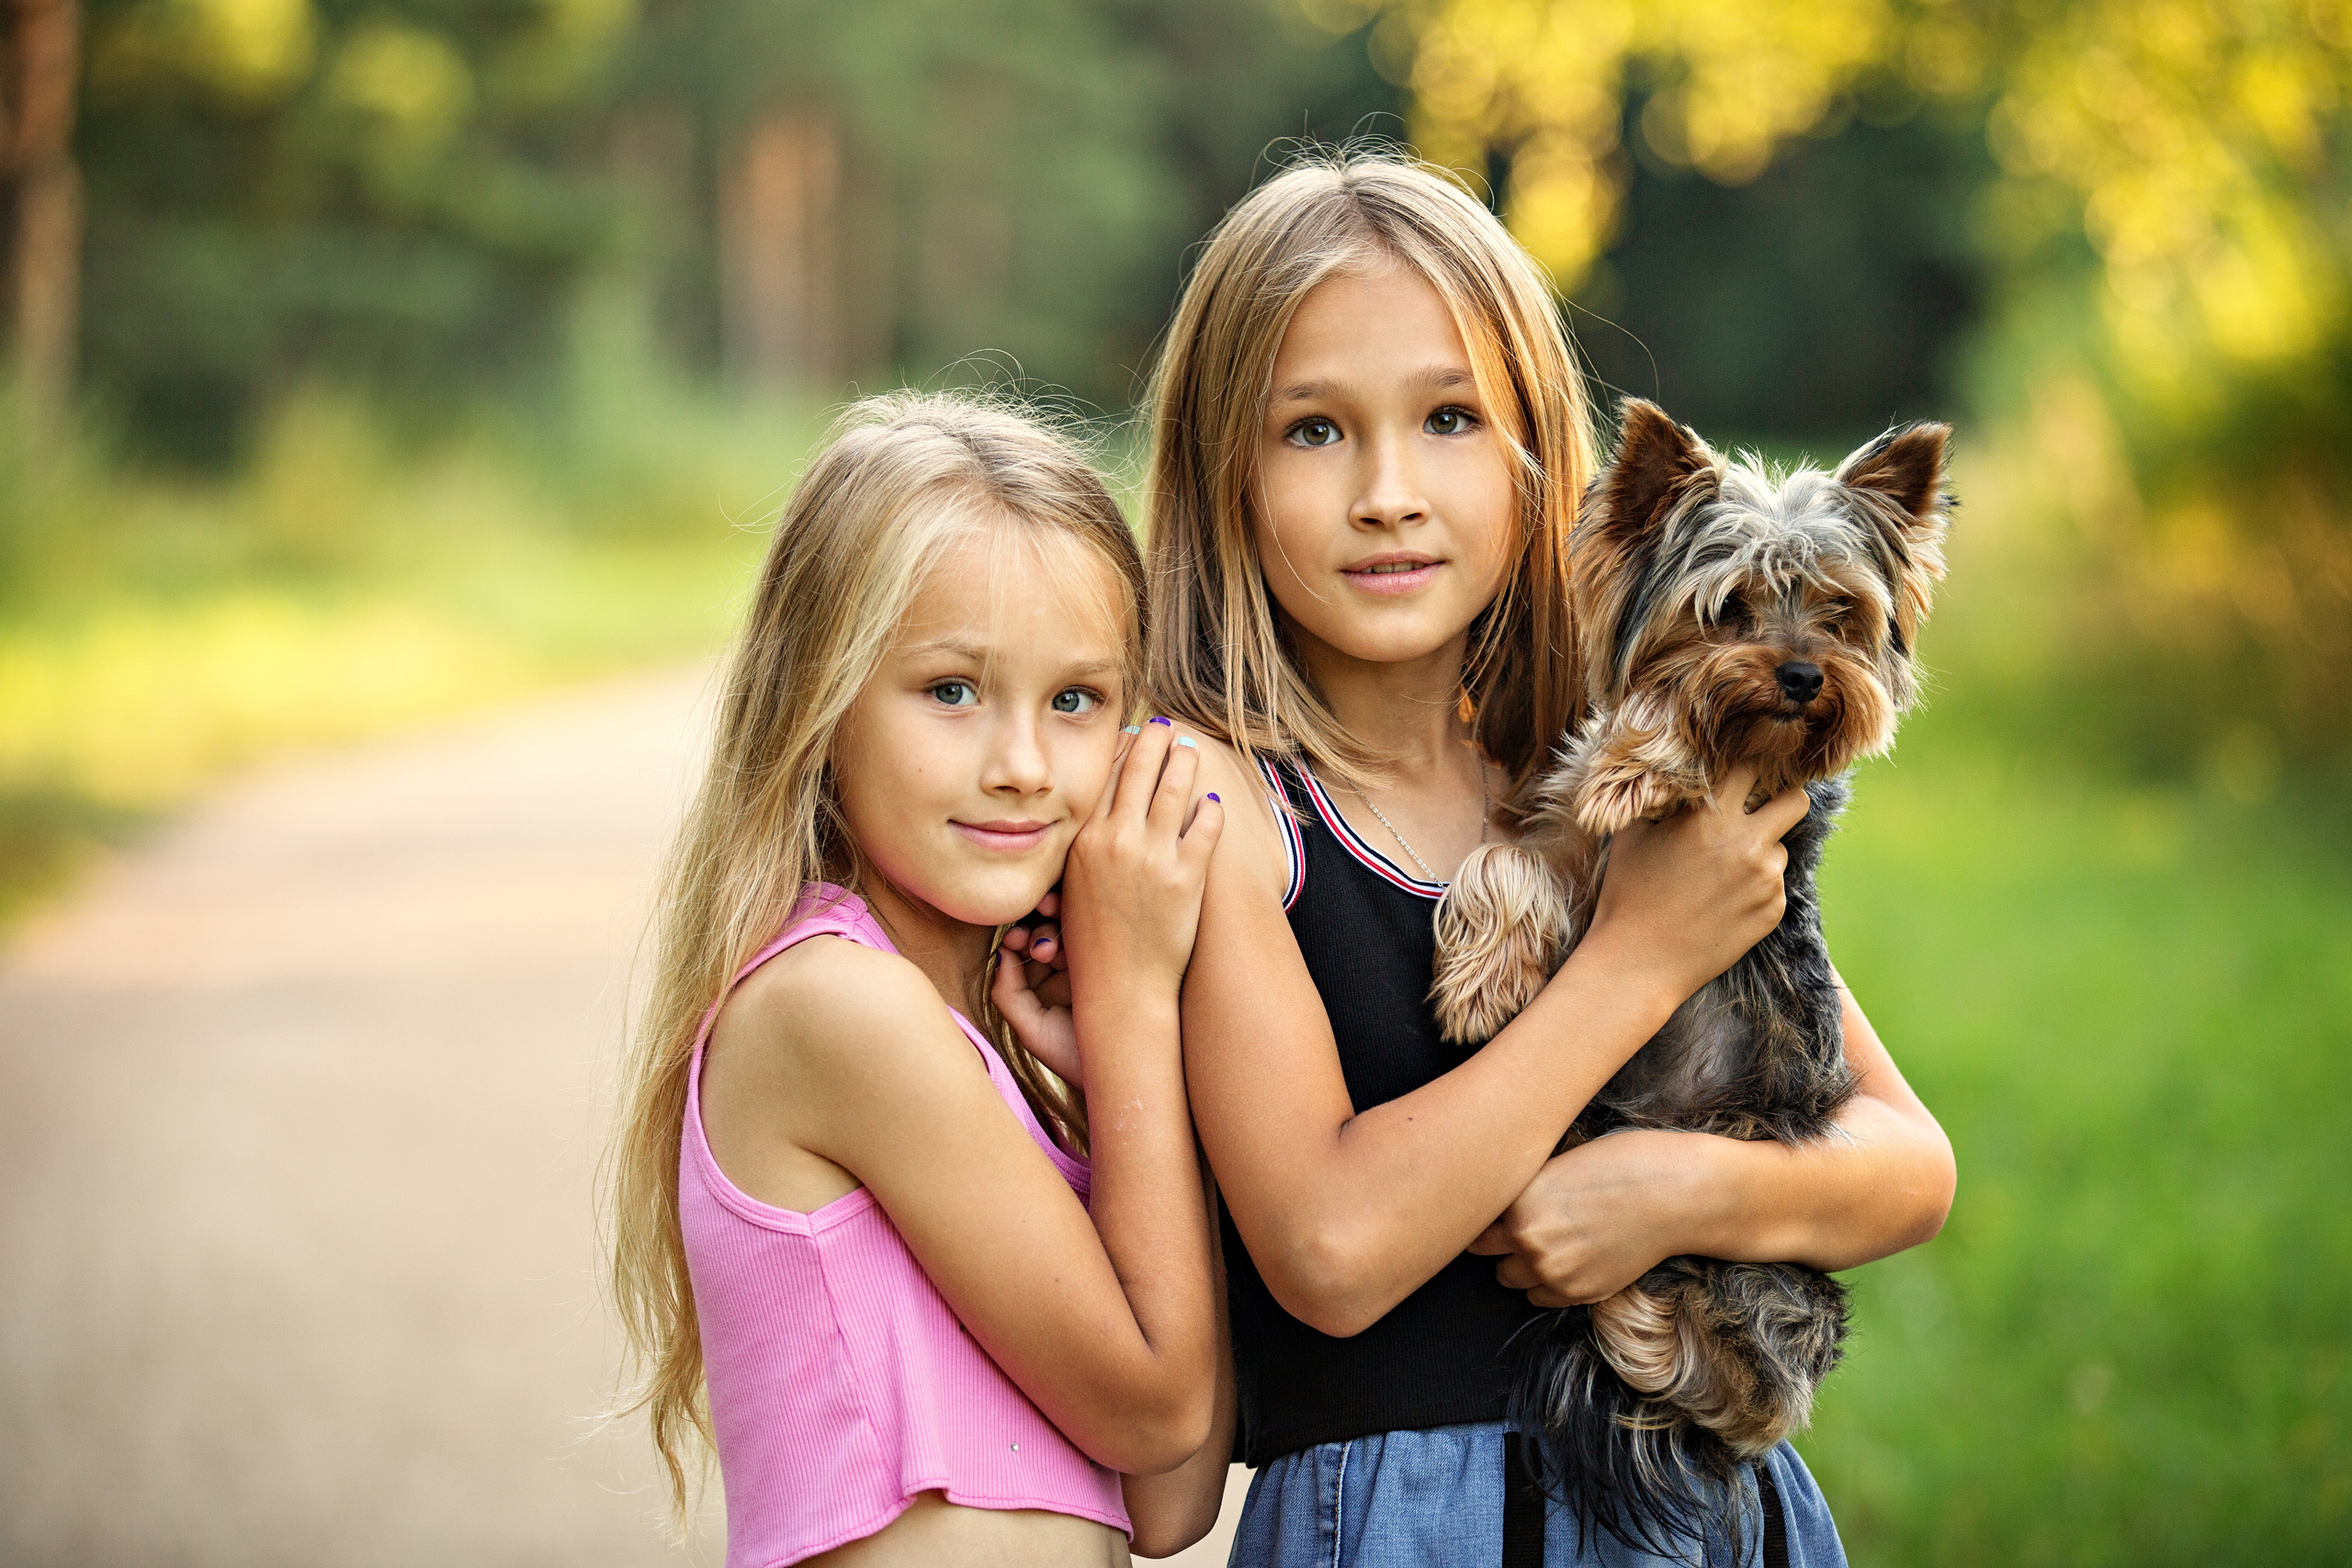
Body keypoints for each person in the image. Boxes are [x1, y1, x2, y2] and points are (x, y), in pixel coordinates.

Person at [1144, 152, 1957, 1562]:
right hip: (1404, 1524)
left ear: (1541, 467)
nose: (1389, 491)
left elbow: (1907, 1164)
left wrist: (1673, 1191)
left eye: (1449, 417)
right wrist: (1635, 958)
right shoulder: (1218, 806)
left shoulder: (1601, 783)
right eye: (1314, 431)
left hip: (1710, 1514)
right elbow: (1330, 1252)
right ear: (1223, 466)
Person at [605, 392, 1233, 1566]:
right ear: (822, 699)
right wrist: (1137, 1001)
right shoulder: (836, 1008)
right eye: (951, 691)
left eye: (1077, 700)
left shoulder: (967, 1047)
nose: (1022, 767)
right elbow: (1158, 1409)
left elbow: (1170, 1496)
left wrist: (1116, 1091)